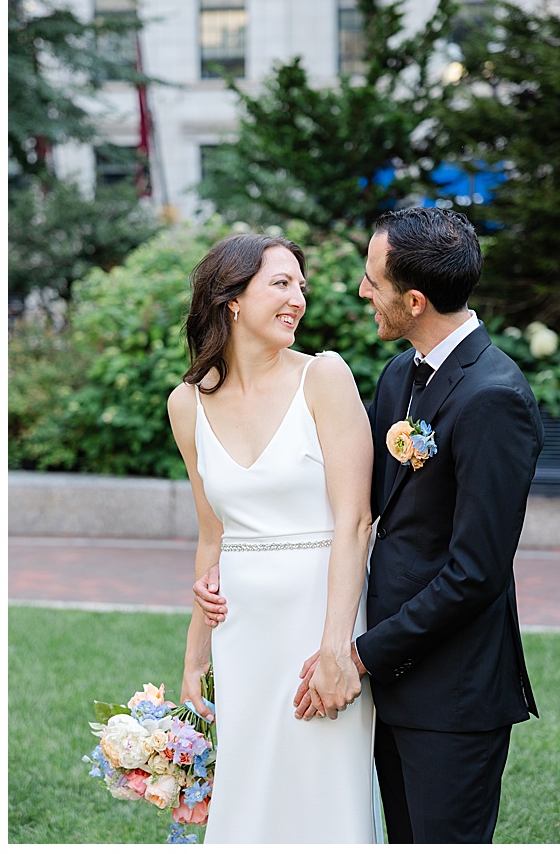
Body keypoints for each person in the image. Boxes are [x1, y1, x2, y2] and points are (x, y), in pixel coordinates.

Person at [197, 207, 542, 843]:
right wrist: (242, 555)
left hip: (453, 692)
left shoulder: (494, 397)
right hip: (394, 683)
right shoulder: (399, 375)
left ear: (413, 300)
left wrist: (356, 653)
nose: (361, 292)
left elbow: (476, 574)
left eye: (372, 281)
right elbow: (355, 503)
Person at [166, 234, 379, 843]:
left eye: (300, 287)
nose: (297, 300)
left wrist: (337, 647)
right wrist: (195, 658)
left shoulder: (324, 377)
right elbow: (213, 535)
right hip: (243, 632)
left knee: (323, 793)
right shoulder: (188, 403)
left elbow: (355, 520)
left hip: (321, 623)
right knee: (247, 793)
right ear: (231, 299)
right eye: (281, 284)